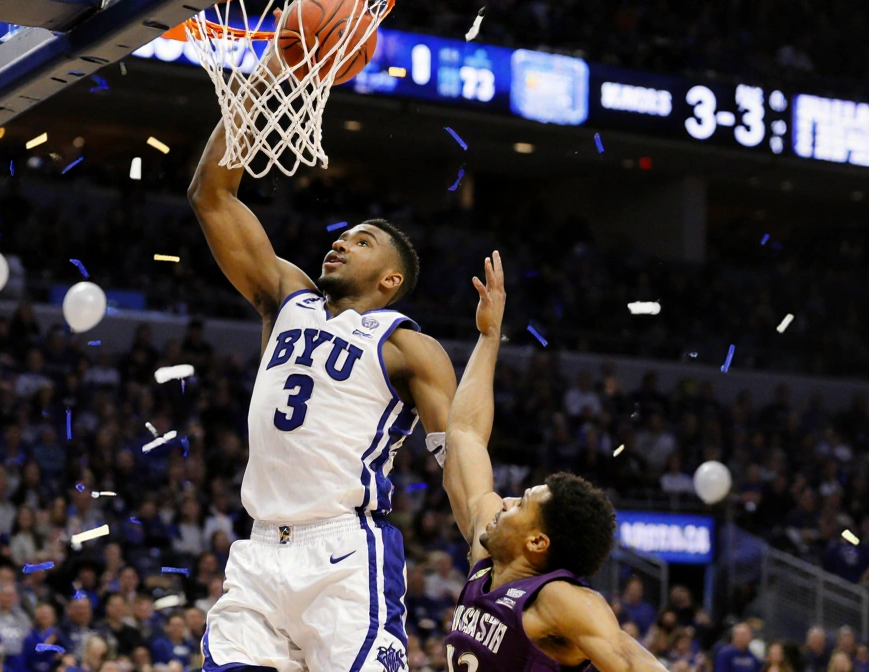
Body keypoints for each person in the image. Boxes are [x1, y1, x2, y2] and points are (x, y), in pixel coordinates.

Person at [188, 58, 457, 672]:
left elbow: (460, 448)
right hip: (258, 550)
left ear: (391, 280)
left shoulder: (406, 345)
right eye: (345, 235)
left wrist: (482, 535)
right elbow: (211, 195)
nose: (341, 241)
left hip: (344, 550)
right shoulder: (287, 297)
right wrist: (259, 85)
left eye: (362, 241)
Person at [440, 252, 666, 672]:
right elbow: (465, 436)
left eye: (521, 503)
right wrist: (489, 338)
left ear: (538, 543)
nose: (504, 501)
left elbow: (634, 664)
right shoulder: (486, 564)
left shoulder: (560, 600)